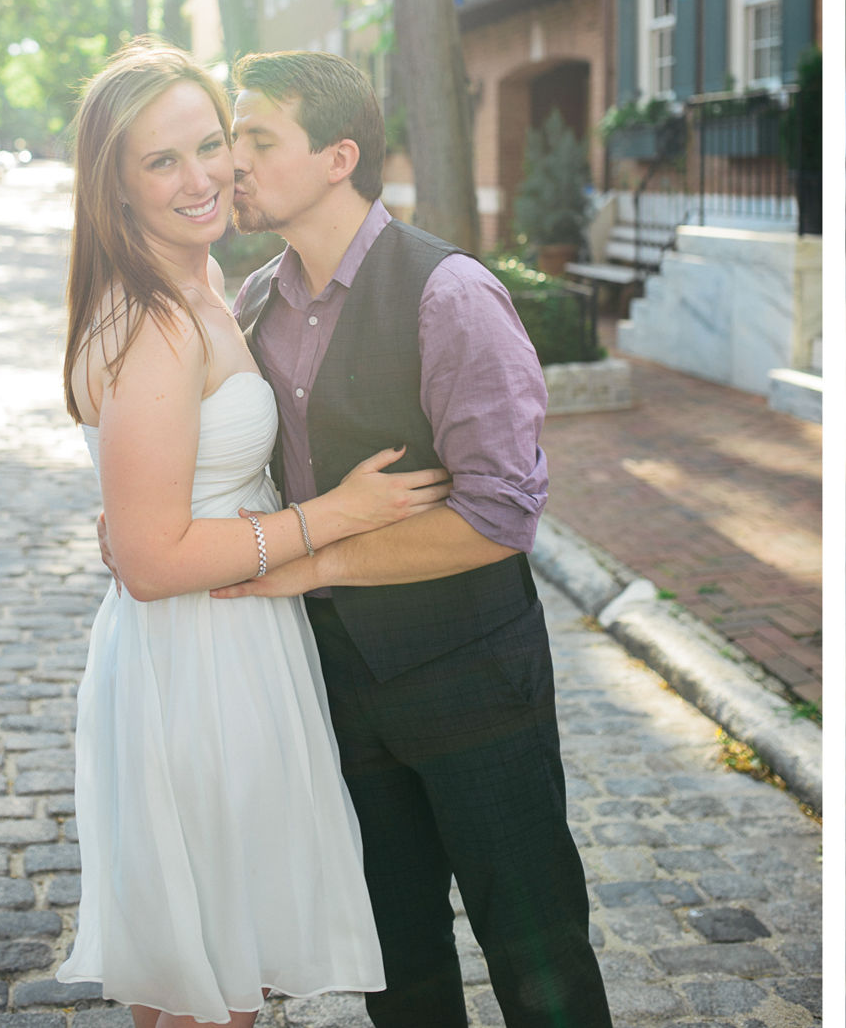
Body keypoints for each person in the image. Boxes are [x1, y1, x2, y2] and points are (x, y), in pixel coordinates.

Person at [205, 50, 611, 1028]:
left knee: (536, 943)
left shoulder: (449, 295)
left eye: (257, 139)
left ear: (337, 155)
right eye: (231, 139)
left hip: (469, 670)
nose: (232, 164)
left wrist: (322, 556)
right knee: (393, 953)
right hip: (333, 681)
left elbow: (500, 514)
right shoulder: (254, 302)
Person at [61, 38, 450, 1027]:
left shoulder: (213, 290)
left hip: (240, 648)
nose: (203, 176)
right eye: (162, 160)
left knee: (232, 969)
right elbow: (151, 561)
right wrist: (334, 518)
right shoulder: (155, 319)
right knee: (206, 988)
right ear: (116, 190)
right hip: (193, 665)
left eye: (212, 142)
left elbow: (163, 499)